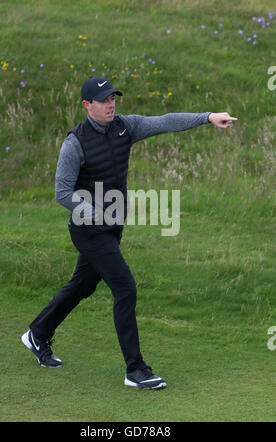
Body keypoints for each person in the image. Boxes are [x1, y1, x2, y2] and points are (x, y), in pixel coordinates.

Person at [22, 76, 237, 390]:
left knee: (82, 285)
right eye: (103, 100)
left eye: (113, 98)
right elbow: (62, 192)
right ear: (87, 105)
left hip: (111, 227)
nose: (111, 105)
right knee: (125, 288)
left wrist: (206, 118)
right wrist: (95, 211)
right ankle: (135, 370)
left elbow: (164, 121)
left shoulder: (125, 126)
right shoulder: (75, 143)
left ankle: (37, 334)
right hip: (87, 229)